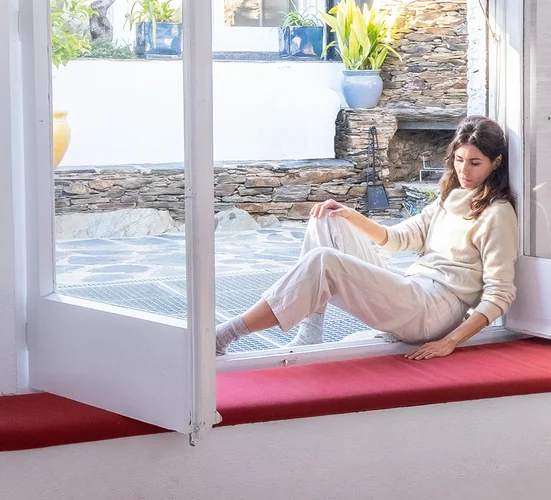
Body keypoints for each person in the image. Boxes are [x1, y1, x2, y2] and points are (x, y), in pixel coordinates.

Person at [215, 116, 520, 360]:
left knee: (324, 262)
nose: (464, 170)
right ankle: (311, 332)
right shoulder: (449, 198)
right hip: (415, 290)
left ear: (495, 163)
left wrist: (450, 341)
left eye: (475, 163)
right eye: (459, 159)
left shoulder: (497, 214)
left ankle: (225, 335)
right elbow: (397, 238)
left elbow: (500, 293)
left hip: (436, 310)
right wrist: (349, 214)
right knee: (327, 219)